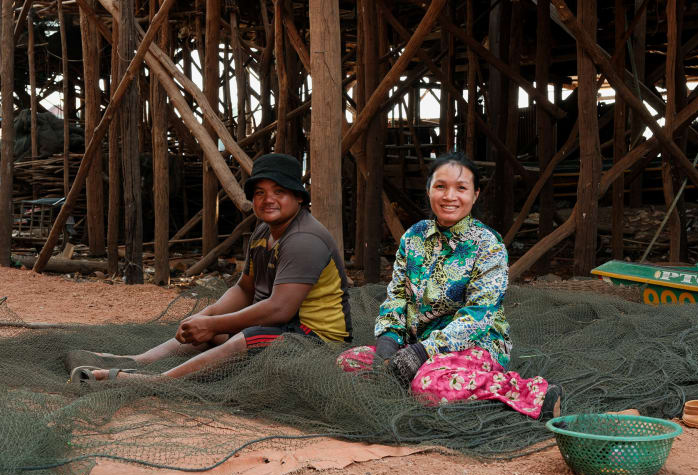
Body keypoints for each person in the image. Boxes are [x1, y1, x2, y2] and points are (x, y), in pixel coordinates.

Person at [68, 153, 352, 382]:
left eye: (279, 191)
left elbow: (280, 309)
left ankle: (157, 381)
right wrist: (206, 317)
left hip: (316, 341)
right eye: (260, 192)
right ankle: (140, 361)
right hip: (280, 328)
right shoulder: (263, 232)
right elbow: (244, 288)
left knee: (242, 338)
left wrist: (214, 324)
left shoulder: (304, 239)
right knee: (211, 331)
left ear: (299, 197)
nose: (268, 200)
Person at [337, 152, 562, 420]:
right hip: (414, 346)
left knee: (427, 386)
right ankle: (418, 377)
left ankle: (533, 394)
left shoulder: (488, 245)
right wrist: (387, 348)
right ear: (429, 190)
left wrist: (422, 352)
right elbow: (396, 296)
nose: (449, 196)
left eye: (461, 188)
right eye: (441, 186)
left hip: (475, 346)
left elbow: (478, 316)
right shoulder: (413, 237)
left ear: (475, 195)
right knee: (349, 361)